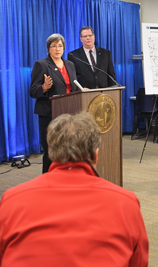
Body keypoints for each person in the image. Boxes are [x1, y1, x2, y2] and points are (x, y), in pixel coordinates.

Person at [0, 112, 149, 266]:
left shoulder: (11, 201)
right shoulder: (127, 203)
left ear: (50, 154)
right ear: (96, 156)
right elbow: (139, 262)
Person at [30, 33, 78, 173]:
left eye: (60, 46)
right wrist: (44, 87)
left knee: (69, 149)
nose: (57, 49)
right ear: (48, 48)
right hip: (50, 114)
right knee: (51, 152)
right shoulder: (42, 65)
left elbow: (72, 86)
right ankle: (47, 181)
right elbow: (33, 91)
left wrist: (82, 89)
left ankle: (65, 179)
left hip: (69, 113)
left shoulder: (70, 64)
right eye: (54, 46)